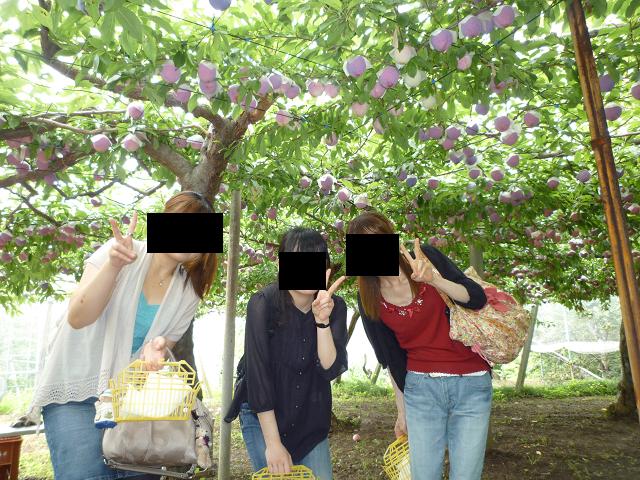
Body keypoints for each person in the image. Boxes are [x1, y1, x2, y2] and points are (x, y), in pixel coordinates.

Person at [25, 191, 218, 480]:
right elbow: (78, 317)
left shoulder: (188, 293)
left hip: (133, 403)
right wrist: (114, 266)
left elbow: (158, 351)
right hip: (76, 391)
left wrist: (157, 351)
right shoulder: (118, 252)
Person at [348, 211, 491, 480]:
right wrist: (401, 411)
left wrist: (435, 280)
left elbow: (476, 298)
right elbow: (389, 357)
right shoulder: (368, 297)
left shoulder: (425, 258)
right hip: (422, 389)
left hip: (472, 383)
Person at [224, 227, 348, 479]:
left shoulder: (334, 307)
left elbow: (329, 369)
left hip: (309, 418)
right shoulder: (263, 304)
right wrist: (273, 444)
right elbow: (258, 377)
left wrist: (322, 321)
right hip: (263, 417)